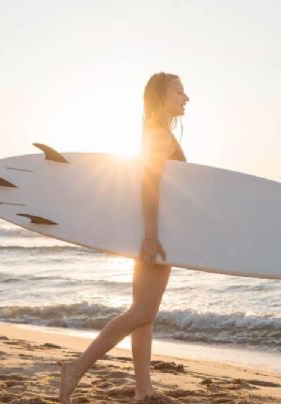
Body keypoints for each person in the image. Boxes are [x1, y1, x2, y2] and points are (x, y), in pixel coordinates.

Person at [59, 72, 189, 403]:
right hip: (155, 233)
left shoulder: (155, 134)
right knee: (142, 313)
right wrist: (150, 236)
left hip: (155, 230)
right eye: (179, 92)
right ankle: (76, 368)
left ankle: (143, 390)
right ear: (161, 96)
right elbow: (149, 185)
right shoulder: (159, 137)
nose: (186, 98)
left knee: (143, 313)